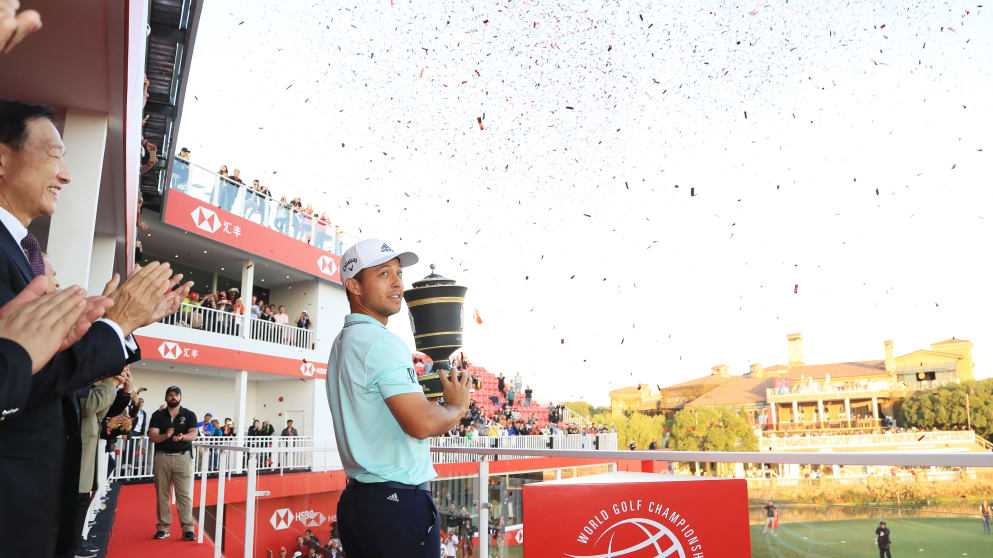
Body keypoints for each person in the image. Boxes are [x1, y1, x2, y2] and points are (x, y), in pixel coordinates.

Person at [0, 101, 192, 557]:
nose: (66, 175)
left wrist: (117, 325)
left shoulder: (22, 251)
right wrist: (115, 323)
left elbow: (30, 363)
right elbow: (18, 376)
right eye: (54, 155)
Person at [327, 239, 471, 557]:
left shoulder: (343, 341)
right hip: (395, 505)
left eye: (399, 273)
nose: (397, 284)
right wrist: (457, 406)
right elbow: (421, 424)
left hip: (361, 501)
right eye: (383, 273)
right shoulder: (381, 342)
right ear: (354, 286)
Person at [148, 386, 198, 540]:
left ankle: (188, 529)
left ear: (180, 397)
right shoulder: (157, 415)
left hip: (182, 458)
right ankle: (163, 528)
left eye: (176, 395)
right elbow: (153, 436)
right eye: (170, 395)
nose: (173, 397)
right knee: (162, 494)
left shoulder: (189, 414)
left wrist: (182, 437)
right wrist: (165, 435)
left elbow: (193, 434)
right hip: (162, 457)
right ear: (166, 398)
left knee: (184, 495)